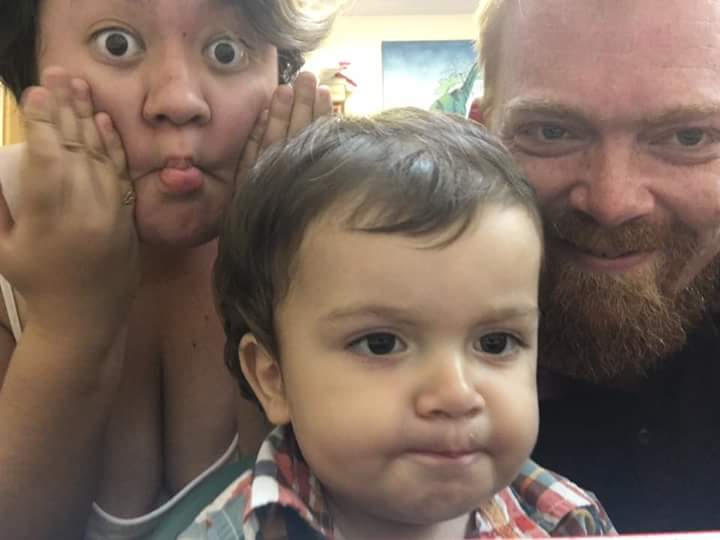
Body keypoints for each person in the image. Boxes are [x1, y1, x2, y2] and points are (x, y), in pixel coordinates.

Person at [183, 108, 616, 539]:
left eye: (496, 343)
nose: (456, 394)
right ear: (273, 377)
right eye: (381, 344)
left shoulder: (567, 523)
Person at [0, 1, 342, 538]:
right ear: (24, 70)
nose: (180, 101)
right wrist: (69, 325)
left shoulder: (337, 232)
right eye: (117, 44)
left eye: (225, 51)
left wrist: (270, 277)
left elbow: (293, 519)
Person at [472, 0, 720, 532]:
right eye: (551, 132)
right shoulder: (378, 345)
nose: (612, 202)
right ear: (479, 135)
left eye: (688, 138)